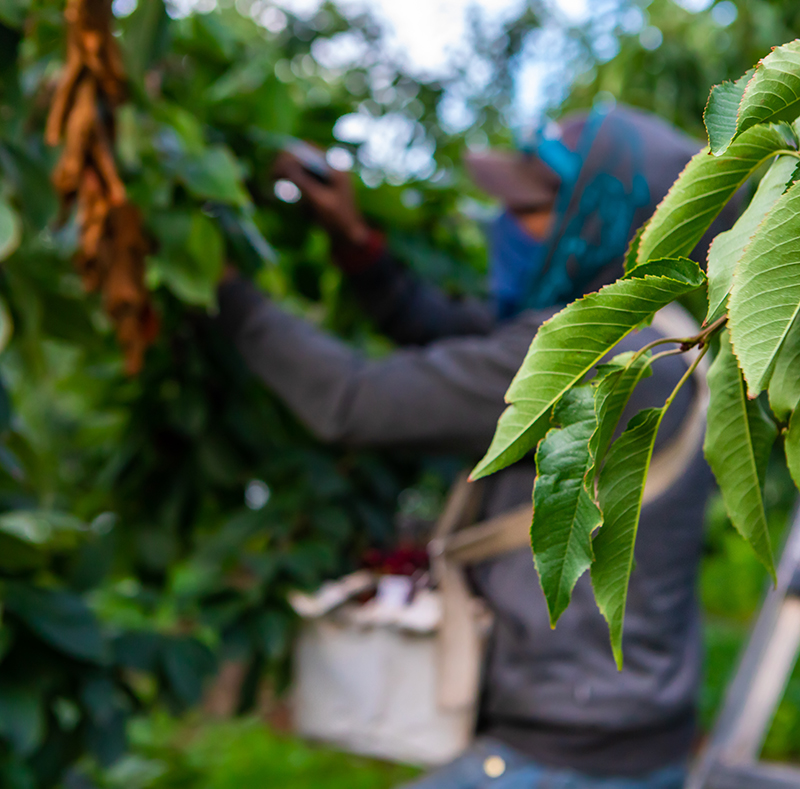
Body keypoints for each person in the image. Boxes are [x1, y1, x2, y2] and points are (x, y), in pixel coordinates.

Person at [216, 105, 739, 788]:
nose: (505, 226)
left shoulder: (595, 357)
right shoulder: (659, 335)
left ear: (607, 220)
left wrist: (223, 288)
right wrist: (357, 244)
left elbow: (353, 401)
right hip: (625, 734)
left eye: (528, 208)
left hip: (564, 754)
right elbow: (453, 340)